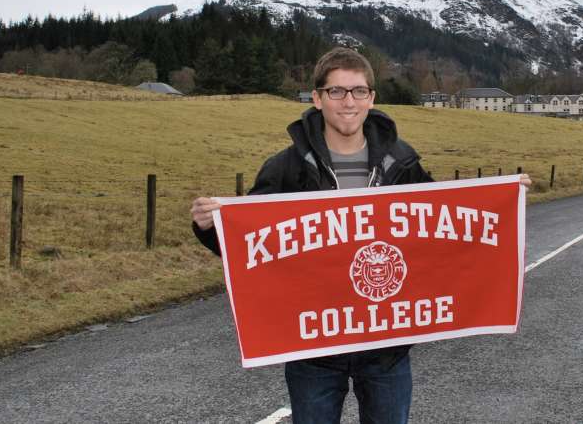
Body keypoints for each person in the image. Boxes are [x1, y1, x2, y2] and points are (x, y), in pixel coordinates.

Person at [191, 47, 531, 423]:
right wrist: (209, 227)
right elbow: (249, 245)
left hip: (385, 347)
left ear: (371, 98)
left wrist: (502, 199)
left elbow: (441, 232)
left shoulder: (401, 161)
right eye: (336, 91)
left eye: (358, 91)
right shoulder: (286, 167)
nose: (347, 102)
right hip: (314, 347)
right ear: (318, 98)